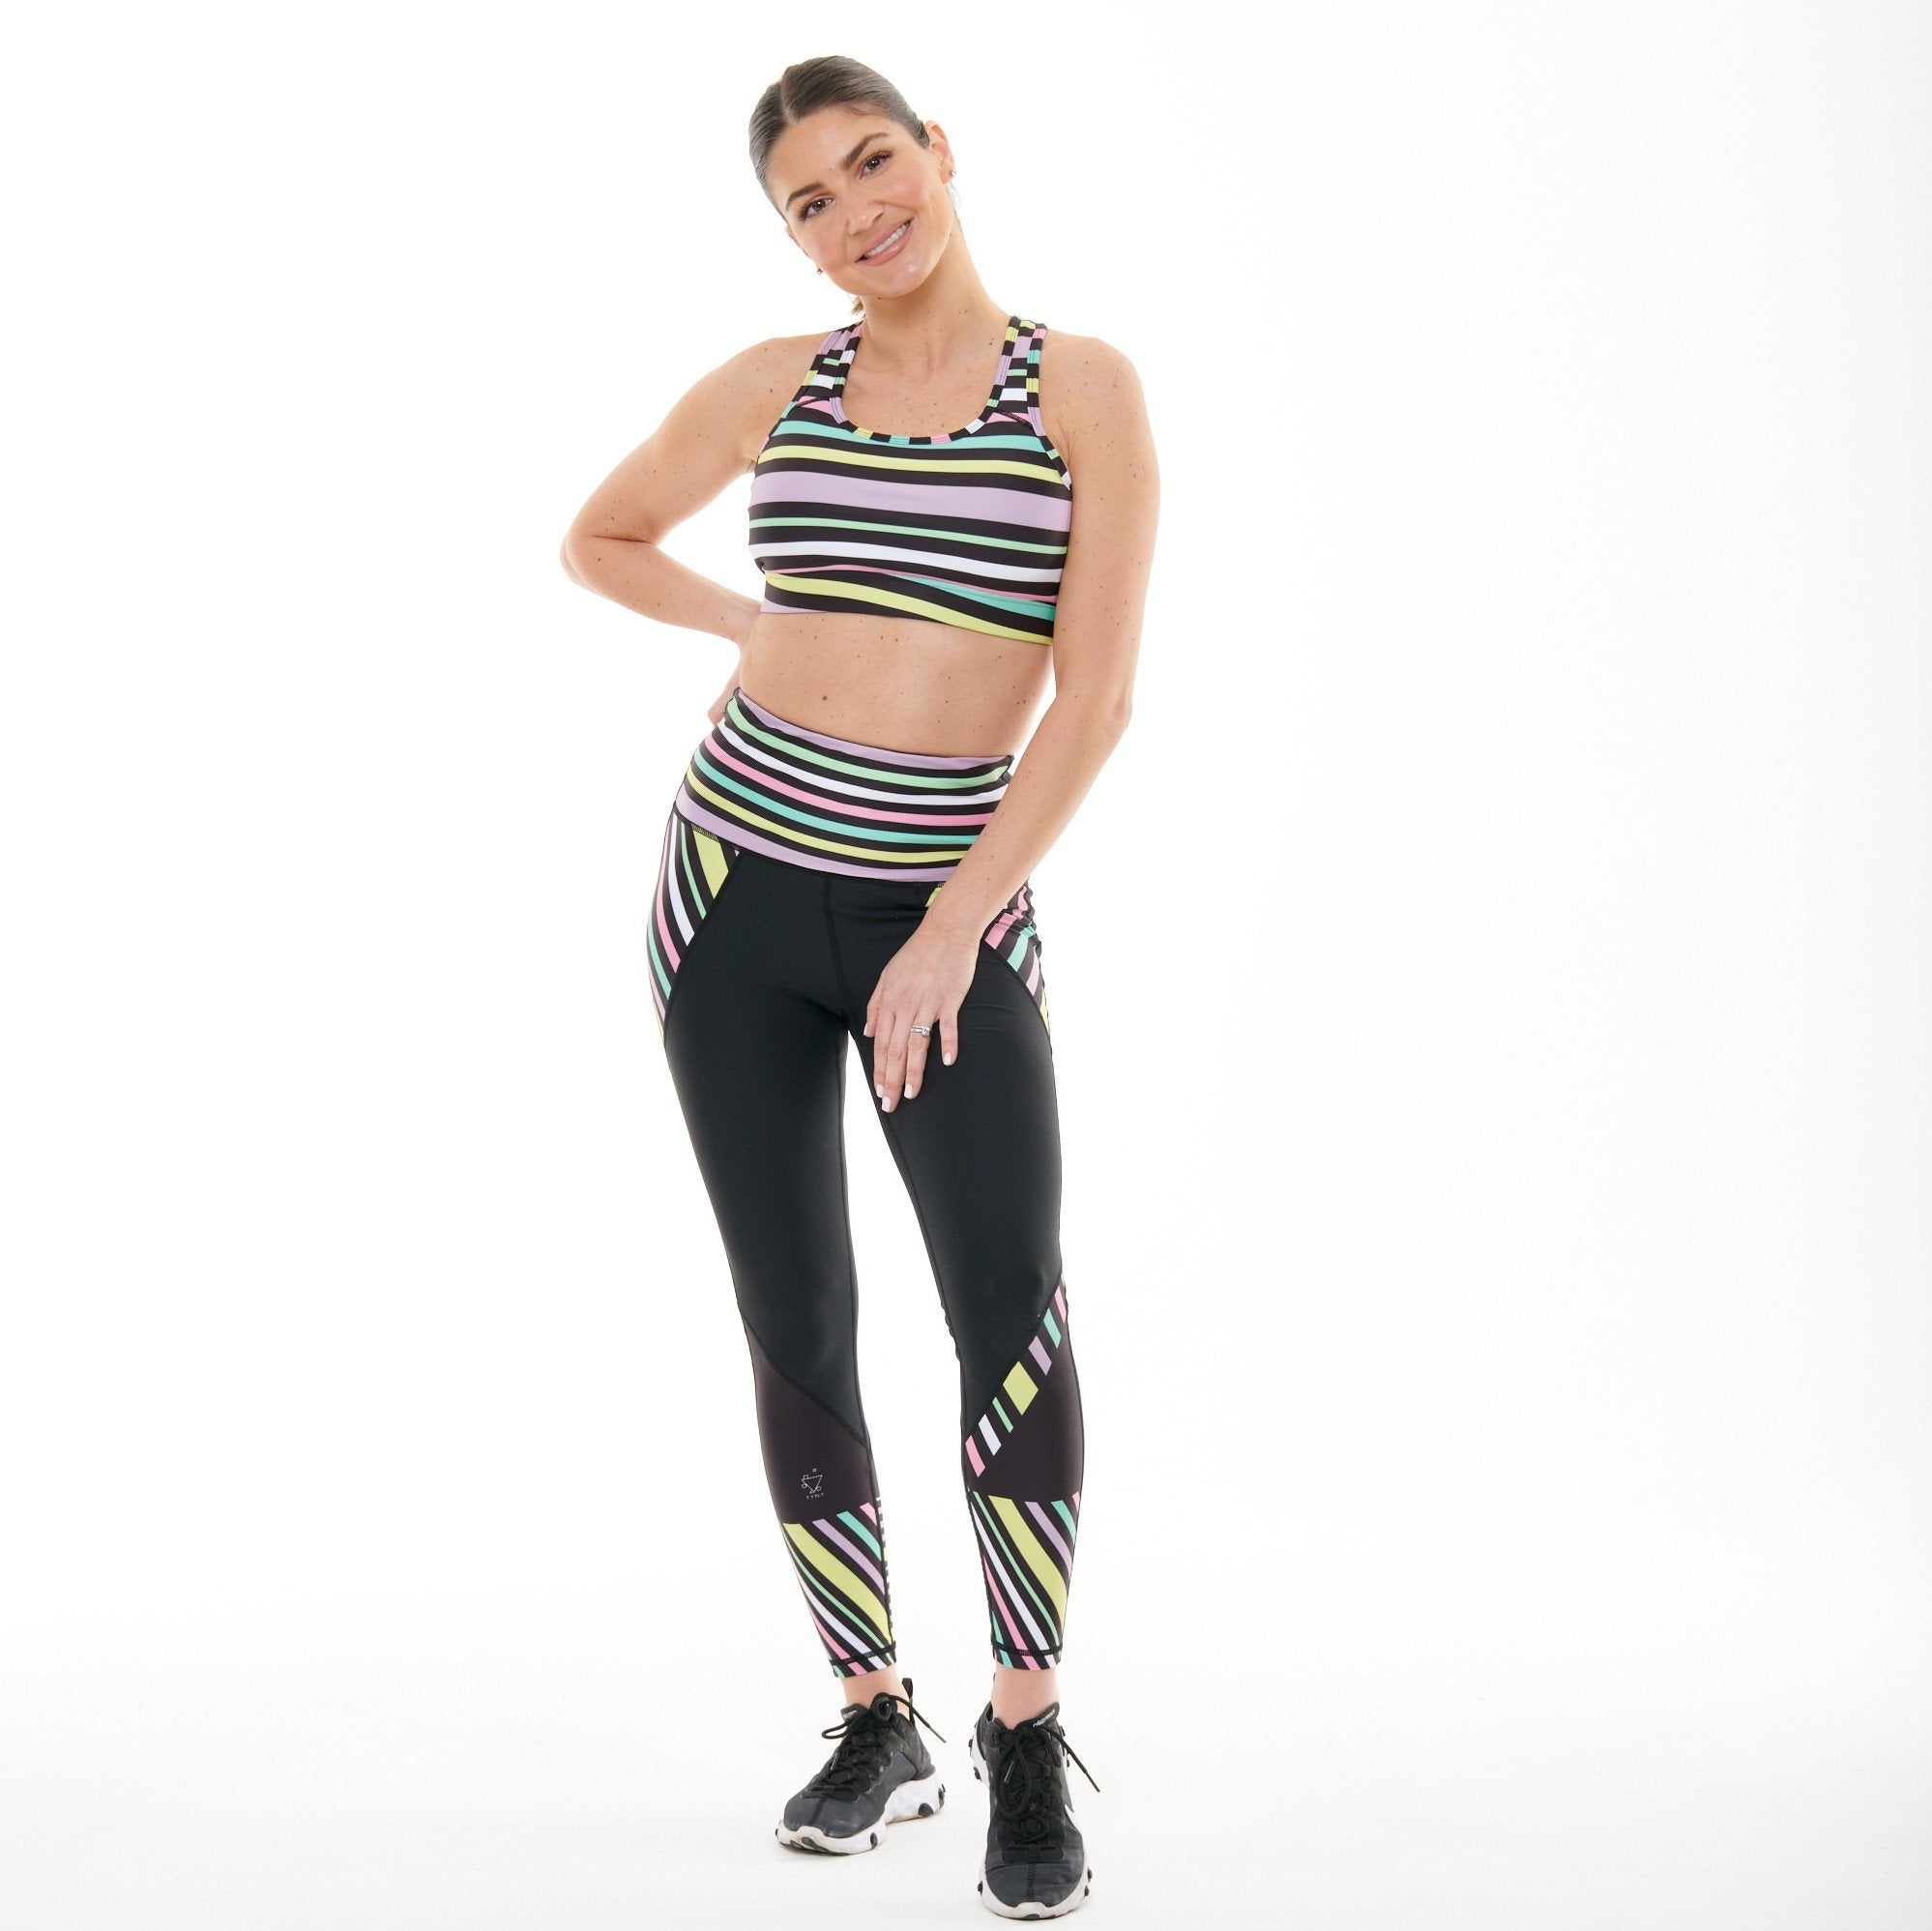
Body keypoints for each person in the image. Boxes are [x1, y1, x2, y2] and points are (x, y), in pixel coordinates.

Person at [561, 52, 1157, 1920]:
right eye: (808, 202)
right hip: (730, 895)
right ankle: (872, 1708)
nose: (854, 214)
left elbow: (1093, 701)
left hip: (944, 916)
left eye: (872, 163)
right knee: (794, 1314)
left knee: (1009, 1312)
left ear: (940, 152)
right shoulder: (773, 384)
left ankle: (1023, 1727)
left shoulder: (1081, 388)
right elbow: (598, 535)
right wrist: (749, 620)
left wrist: (953, 922)